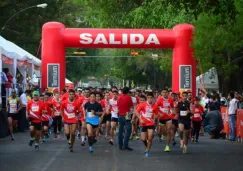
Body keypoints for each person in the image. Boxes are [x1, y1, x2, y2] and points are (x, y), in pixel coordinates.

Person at [133, 92, 158, 157]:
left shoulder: (155, 106)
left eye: (151, 98)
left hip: (151, 123)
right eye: (148, 98)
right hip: (143, 124)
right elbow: (136, 112)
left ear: (153, 98)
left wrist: (154, 118)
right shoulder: (143, 105)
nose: (149, 99)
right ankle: (147, 146)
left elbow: (156, 114)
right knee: (143, 139)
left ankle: (147, 150)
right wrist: (140, 119)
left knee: (150, 137)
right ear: (147, 98)